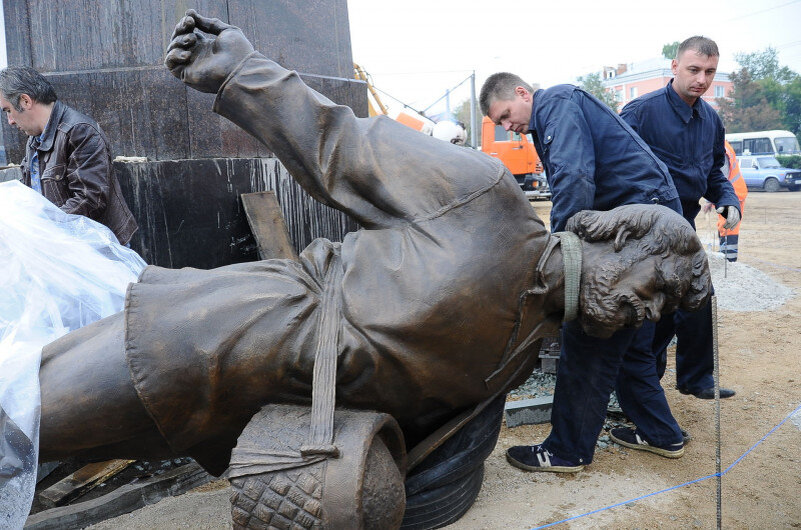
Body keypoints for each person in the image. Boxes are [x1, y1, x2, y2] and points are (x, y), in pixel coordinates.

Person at [32, 11, 710, 480]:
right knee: (24, 419)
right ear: (615, 242)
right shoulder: (487, 200)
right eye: (651, 291)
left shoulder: (525, 343)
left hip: (234, 419)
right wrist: (241, 69)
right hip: (203, 339)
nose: (648, 315)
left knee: (34, 451)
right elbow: (340, 147)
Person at [480, 74, 687, 471]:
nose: (508, 127)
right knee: (631, 345)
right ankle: (661, 434)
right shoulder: (555, 112)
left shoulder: (556, 102)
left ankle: (566, 450)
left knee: (590, 334)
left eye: (506, 115)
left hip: (637, 234)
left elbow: (574, 180)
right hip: (648, 230)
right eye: (500, 123)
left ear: (523, 93)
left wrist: (559, 254)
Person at [620, 36, 740, 399]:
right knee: (657, 309)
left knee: (698, 297)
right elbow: (615, 169)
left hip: (682, 225)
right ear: (674, 68)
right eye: (694, 70)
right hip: (644, 227)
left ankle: (695, 379)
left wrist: (727, 198)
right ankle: (642, 383)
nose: (702, 79)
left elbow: (713, 172)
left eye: (710, 72)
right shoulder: (639, 112)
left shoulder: (711, 121)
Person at [0, 66, 137, 245]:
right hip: (64, 246)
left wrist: (40, 228)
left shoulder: (79, 131)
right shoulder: (34, 138)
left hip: (98, 249)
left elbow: (90, 199)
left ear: (25, 101)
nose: (9, 121)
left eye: (8, 110)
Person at [703, 140, 747, 262]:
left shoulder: (720, 148)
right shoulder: (722, 144)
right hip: (731, 193)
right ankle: (725, 256)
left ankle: (729, 262)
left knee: (729, 227)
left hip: (732, 195)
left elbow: (721, 177)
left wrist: (708, 201)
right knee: (723, 226)